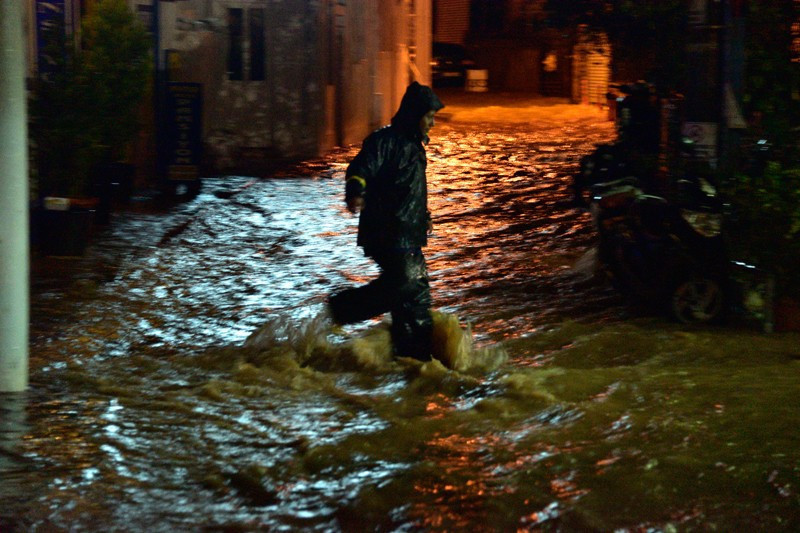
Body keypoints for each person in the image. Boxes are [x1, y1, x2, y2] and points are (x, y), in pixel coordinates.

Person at [328, 81, 444, 361]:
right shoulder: (386, 141)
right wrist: (355, 191)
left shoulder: (415, 148)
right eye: (429, 117)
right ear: (415, 114)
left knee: (416, 295)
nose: (432, 124)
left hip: (408, 235)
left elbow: (411, 189)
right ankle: (341, 309)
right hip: (388, 234)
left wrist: (423, 216)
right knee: (406, 281)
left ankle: (414, 358)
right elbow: (360, 168)